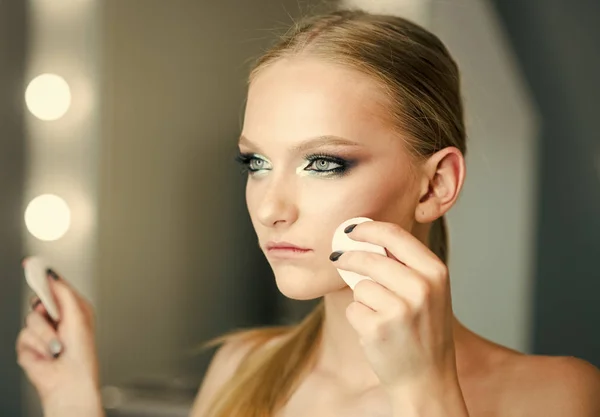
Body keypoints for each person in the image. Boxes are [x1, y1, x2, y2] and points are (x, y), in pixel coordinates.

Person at [16, 8, 600, 417]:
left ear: (435, 184)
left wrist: (424, 391)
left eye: (322, 163)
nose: (271, 208)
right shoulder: (240, 367)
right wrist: (71, 402)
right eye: (256, 163)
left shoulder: (559, 396)